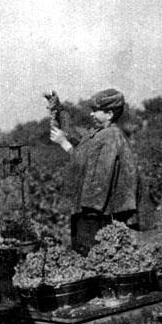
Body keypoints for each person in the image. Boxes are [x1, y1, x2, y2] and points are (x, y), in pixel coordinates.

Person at [50, 89, 140, 255]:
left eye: (95, 111)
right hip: (89, 210)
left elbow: (95, 171)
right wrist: (59, 110)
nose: (91, 114)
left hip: (95, 213)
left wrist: (64, 143)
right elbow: (76, 136)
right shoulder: (99, 133)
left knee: (91, 255)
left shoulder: (111, 136)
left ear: (109, 114)